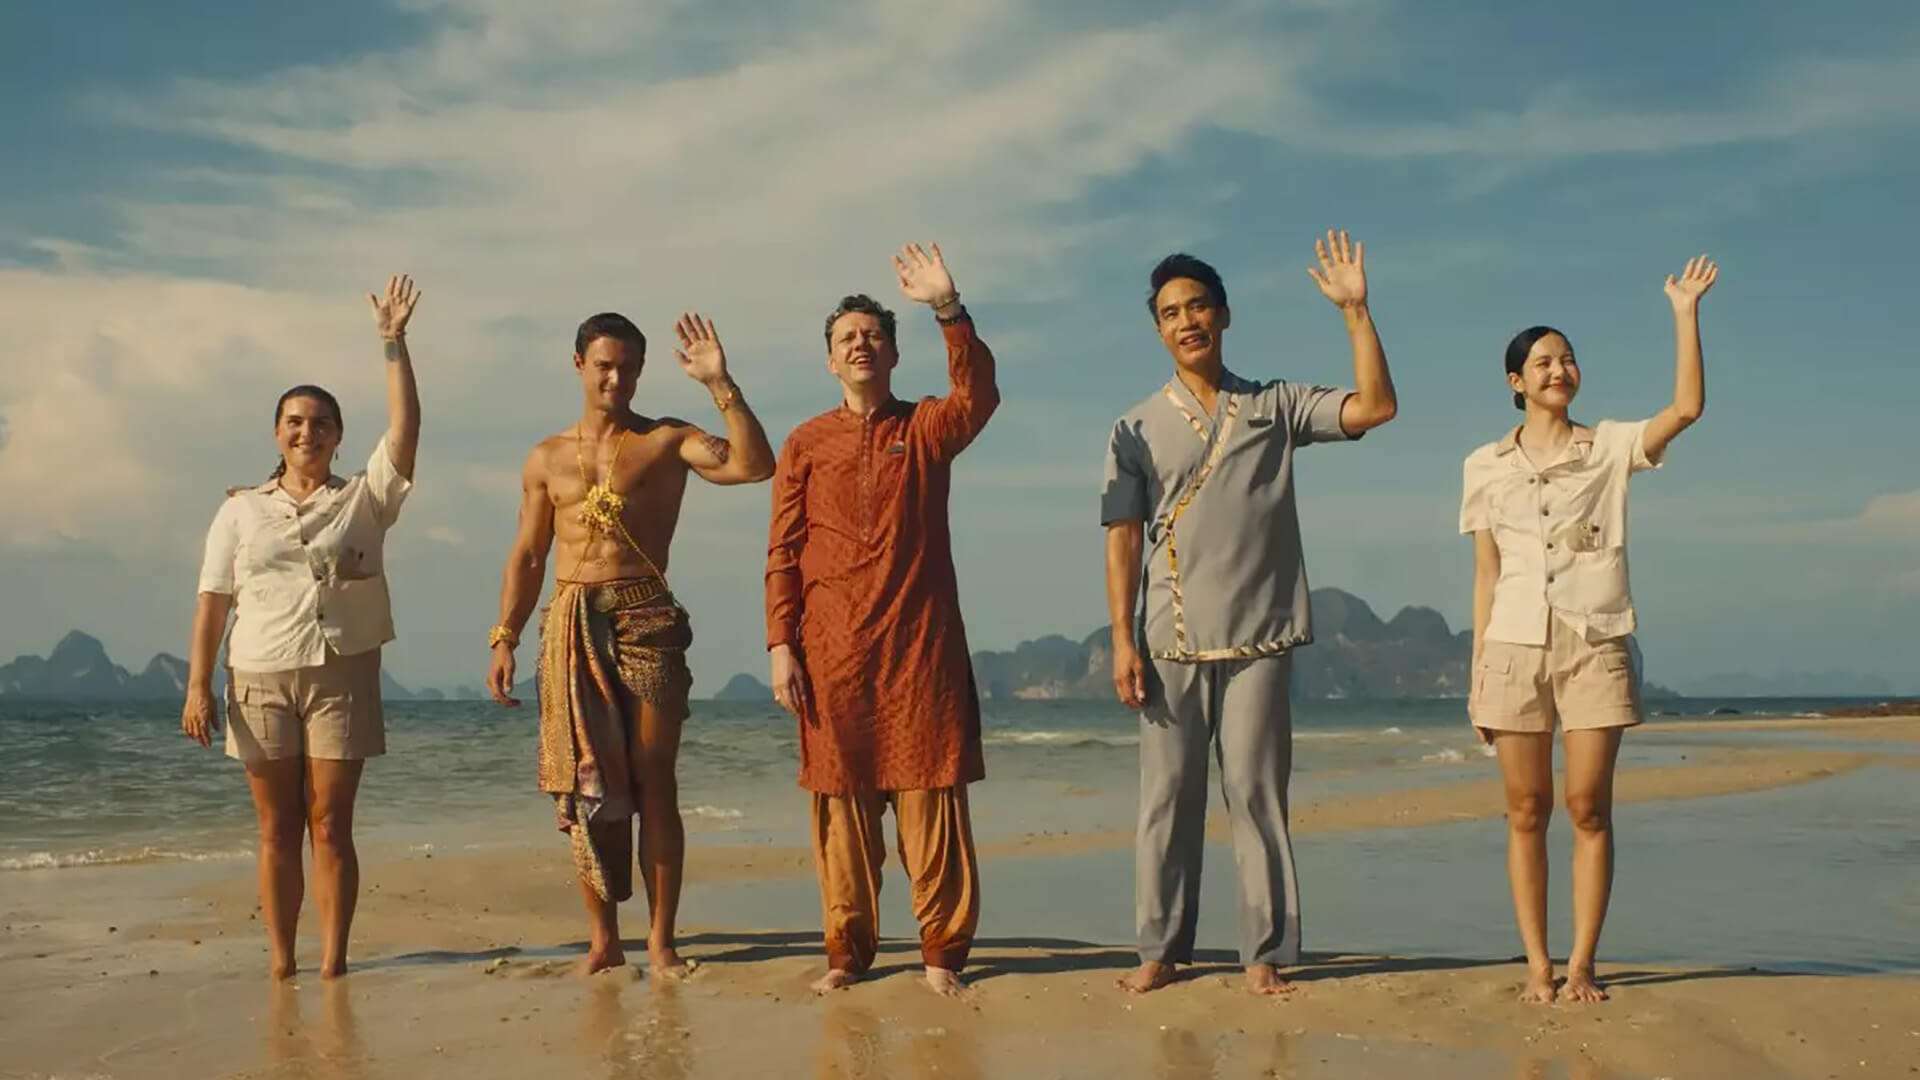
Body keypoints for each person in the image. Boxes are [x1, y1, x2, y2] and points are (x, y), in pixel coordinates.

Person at [1101, 232, 1399, 995]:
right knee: (1166, 801)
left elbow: (1377, 407)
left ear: (1224, 315)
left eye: (1198, 305)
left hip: (1263, 634)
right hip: (1169, 636)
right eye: (1171, 312)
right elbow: (1122, 538)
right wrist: (1122, 641)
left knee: (1258, 796)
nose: (1187, 320)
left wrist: (1356, 312)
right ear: (1158, 329)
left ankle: (1263, 952)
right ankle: (1160, 948)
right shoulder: (1133, 426)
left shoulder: (1276, 404)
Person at [485, 309, 775, 977]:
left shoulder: (667, 440)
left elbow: (755, 467)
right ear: (579, 365)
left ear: (642, 371)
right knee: (586, 787)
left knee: (654, 784)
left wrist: (720, 384)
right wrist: (505, 636)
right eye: (604, 365)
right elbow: (528, 555)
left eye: (628, 367)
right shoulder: (545, 458)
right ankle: (603, 940)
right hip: (570, 625)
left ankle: (662, 941)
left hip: (647, 618)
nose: (616, 377)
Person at [1460, 255, 1718, 1005]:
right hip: (1511, 646)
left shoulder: (1606, 446)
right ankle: (1537, 965)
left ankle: (1582, 965)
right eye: (1542, 361)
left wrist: (1684, 313)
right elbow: (1485, 572)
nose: (1558, 368)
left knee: (1588, 808)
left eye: (1567, 358)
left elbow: (1688, 410)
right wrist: (1480, 674)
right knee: (1525, 811)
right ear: (1515, 382)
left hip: (1594, 642)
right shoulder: (1483, 464)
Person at [764, 243, 998, 998]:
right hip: (830, 652)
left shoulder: (926, 427)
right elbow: (783, 552)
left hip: (919, 651)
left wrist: (948, 310)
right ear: (830, 361)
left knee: (933, 801)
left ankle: (941, 956)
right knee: (841, 809)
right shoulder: (805, 442)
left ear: (894, 352)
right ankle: (847, 952)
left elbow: (979, 399)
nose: (860, 345)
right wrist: (780, 645)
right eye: (845, 339)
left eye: (872, 335)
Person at [180, 275, 424, 980]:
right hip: (257, 674)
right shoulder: (240, 510)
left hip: (341, 671)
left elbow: (405, 432)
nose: (306, 432)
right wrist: (198, 687)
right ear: (276, 434)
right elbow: (212, 600)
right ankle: (282, 961)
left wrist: (393, 343)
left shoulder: (365, 500)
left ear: (339, 436)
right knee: (277, 828)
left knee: (329, 824)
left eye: (320, 423)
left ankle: (334, 963)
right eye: (294, 421)